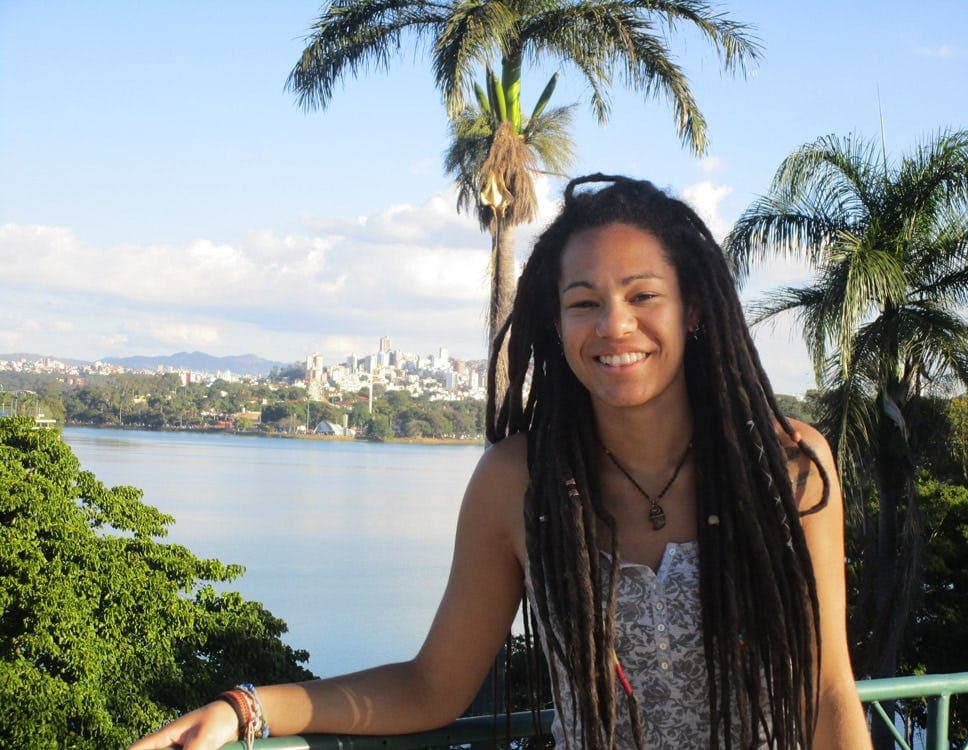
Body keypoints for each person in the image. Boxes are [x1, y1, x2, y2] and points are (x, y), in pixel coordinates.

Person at [129, 175, 871, 750]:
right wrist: (247, 709)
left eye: (644, 295)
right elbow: (432, 686)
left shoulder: (789, 466)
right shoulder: (519, 483)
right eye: (584, 303)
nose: (616, 325)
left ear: (695, 310)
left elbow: (830, 692)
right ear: (556, 321)